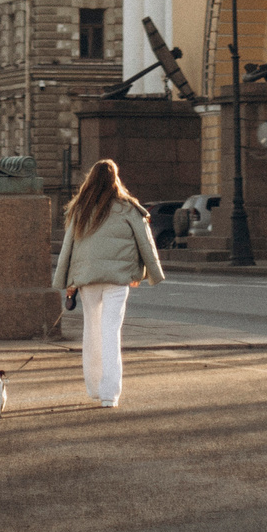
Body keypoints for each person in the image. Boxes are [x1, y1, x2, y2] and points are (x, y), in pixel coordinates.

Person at [52, 158, 164, 408]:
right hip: (117, 280)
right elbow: (144, 243)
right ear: (115, 179)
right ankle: (109, 395)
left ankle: (94, 388)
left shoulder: (80, 208)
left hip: (88, 281)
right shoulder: (128, 208)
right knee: (111, 332)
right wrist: (148, 273)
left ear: (90, 179)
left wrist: (67, 281)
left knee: (91, 332)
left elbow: (68, 247)